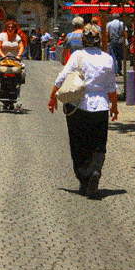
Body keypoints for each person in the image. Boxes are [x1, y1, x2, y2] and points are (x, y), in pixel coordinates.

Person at [49, 22, 119, 197]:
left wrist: (52, 97)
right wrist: (115, 107)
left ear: (82, 40)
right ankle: (95, 169)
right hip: (101, 106)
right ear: (99, 40)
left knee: (78, 143)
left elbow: (62, 77)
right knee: (99, 143)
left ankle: (84, 178)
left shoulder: (77, 55)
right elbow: (111, 86)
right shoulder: (107, 59)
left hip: (78, 105)